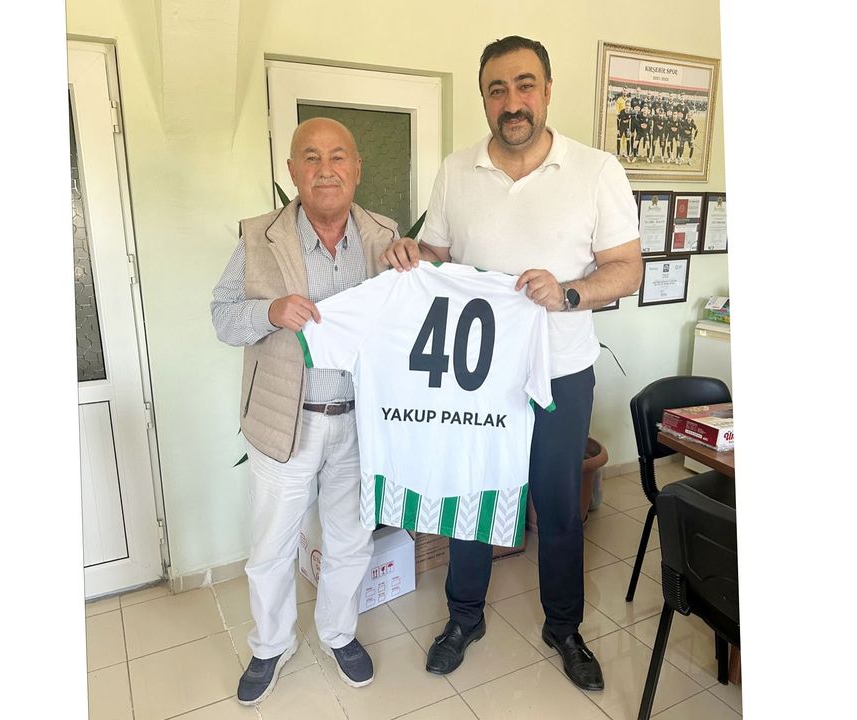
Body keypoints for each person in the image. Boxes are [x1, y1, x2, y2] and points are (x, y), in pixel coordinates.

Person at [380, 35, 642, 692]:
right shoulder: (456, 170)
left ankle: (564, 627)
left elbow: (627, 269)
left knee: (557, 506)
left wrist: (570, 293)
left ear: (547, 91)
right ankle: (463, 619)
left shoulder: (596, 171)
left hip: (560, 373)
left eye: (525, 85)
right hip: (477, 377)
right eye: (497, 89)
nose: (512, 101)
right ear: (484, 99)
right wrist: (415, 256)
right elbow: (439, 257)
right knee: (471, 494)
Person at [210, 117, 399, 706]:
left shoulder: (386, 236)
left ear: (357, 168)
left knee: (350, 539)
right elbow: (222, 316)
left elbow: (405, 321)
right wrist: (269, 312)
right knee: (272, 545)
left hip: (360, 422)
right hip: (284, 421)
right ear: (291, 171)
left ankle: (338, 633)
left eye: (338, 156)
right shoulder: (258, 237)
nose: (325, 170)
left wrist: (416, 265)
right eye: (311, 157)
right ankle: (271, 644)